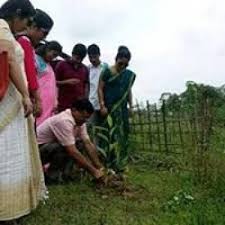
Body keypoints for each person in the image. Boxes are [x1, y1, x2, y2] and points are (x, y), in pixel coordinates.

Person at [0, 0, 46, 222]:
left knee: (12, 157)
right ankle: (6, 211)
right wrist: (27, 95)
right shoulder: (1, 27)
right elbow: (9, 61)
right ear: (17, 14)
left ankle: (12, 208)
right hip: (6, 106)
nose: (27, 26)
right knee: (6, 157)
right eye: (27, 21)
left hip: (13, 105)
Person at [37, 99, 104, 182]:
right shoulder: (64, 120)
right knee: (64, 148)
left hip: (48, 147)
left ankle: (65, 175)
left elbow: (87, 143)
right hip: (37, 151)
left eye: (86, 118)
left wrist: (99, 167)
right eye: (83, 116)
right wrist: (93, 171)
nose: (84, 120)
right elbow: (72, 151)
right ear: (74, 110)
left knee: (79, 144)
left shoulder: (80, 122)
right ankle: (52, 177)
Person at [98, 46, 136, 169]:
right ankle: (108, 161)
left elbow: (128, 90)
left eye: (125, 65)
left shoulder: (128, 75)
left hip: (122, 109)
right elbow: (100, 88)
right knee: (109, 134)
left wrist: (131, 106)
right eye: (120, 63)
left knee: (123, 134)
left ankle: (121, 162)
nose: (122, 67)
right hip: (109, 109)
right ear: (116, 59)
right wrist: (102, 105)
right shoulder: (107, 71)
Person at [17, 9, 54, 117]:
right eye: (44, 33)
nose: (45, 37)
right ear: (34, 26)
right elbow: (30, 74)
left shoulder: (21, 41)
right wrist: (38, 100)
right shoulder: (25, 42)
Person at [35, 41, 62, 127]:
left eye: (55, 56)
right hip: (39, 99)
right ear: (47, 49)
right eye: (53, 54)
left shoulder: (47, 64)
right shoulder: (35, 59)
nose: (53, 58)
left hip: (48, 103)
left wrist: (55, 100)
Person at [55, 43, 89, 112]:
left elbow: (86, 85)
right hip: (63, 106)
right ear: (72, 54)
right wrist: (66, 82)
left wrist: (85, 98)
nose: (78, 61)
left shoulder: (85, 69)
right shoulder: (62, 65)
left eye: (81, 59)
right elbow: (53, 83)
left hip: (78, 108)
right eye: (77, 58)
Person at [87, 44, 107, 130]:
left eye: (94, 57)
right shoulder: (87, 69)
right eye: (90, 57)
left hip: (104, 105)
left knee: (104, 130)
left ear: (99, 55)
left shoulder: (106, 68)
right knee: (92, 130)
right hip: (91, 105)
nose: (92, 60)